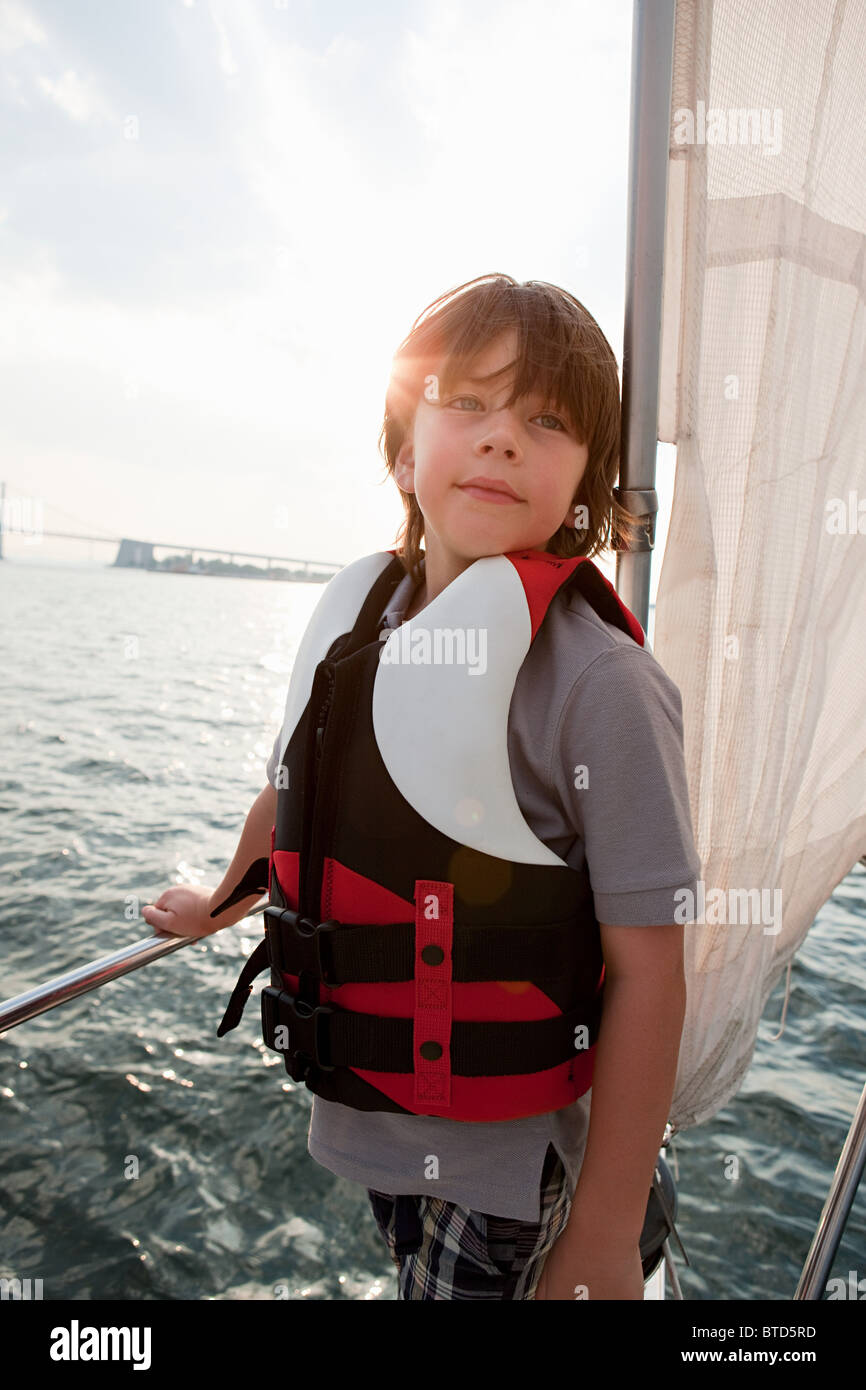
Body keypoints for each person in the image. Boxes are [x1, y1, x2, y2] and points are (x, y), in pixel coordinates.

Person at [142, 274, 701, 1301]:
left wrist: (604, 1235)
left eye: (545, 419)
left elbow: (651, 968)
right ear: (404, 451)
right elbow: (292, 795)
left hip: (512, 1179)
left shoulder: (599, 684)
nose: (500, 439)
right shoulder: (364, 617)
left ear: (584, 480)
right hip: (380, 1133)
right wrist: (219, 900)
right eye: (466, 403)